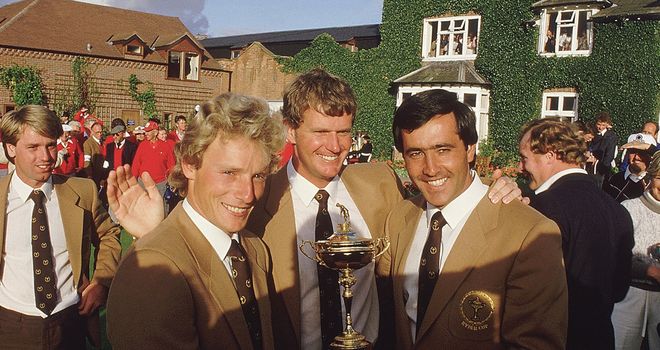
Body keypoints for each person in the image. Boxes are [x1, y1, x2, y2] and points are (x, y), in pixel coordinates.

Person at [105, 69, 524, 349]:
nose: (335, 145)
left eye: (344, 132)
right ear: (290, 129)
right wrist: (152, 234)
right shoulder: (259, 201)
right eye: (320, 131)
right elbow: (198, 251)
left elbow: (438, 211)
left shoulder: (379, 184)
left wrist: (492, 192)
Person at [376, 89, 567, 349]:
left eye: (442, 150)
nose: (430, 168)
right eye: (416, 153)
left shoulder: (531, 235)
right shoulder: (399, 218)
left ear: (469, 150)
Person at [106, 93, 285, 349]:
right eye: (229, 173)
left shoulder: (254, 248)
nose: (248, 194)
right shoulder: (153, 270)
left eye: (258, 176)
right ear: (189, 165)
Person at [0, 105, 121, 348]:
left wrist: (102, 282)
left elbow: (109, 234)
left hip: (70, 320)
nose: (46, 157)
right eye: (33, 147)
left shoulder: (82, 191)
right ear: (11, 149)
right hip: (11, 324)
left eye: (51, 145)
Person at [518, 118, 634, 350]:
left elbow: (527, 292)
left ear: (550, 155)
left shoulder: (542, 209)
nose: (520, 168)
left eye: (524, 159)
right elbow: (620, 288)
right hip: (601, 338)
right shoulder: (617, 210)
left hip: (553, 340)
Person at [611, 151, 660, 350]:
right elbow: (614, 256)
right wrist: (649, 270)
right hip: (629, 295)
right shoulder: (629, 208)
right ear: (650, 177)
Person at [605, 133, 656, 202]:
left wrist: (651, 148)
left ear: (651, 156)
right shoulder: (614, 178)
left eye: (642, 153)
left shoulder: (651, 187)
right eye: (633, 152)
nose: (637, 157)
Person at [131, 120, 175, 199]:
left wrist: (171, 180)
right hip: (143, 183)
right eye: (145, 131)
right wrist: (133, 180)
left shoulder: (165, 146)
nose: (146, 134)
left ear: (155, 132)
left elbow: (171, 165)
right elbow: (136, 164)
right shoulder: (142, 145)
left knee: (160, 208)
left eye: (148, 131)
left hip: (160, 184)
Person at [589, 112, 618, 188]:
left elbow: (609, 155)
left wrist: (601, 168)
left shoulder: (611, 136)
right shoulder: (592, 133)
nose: (600, 127)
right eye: (598, 124)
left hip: (601, 170)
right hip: (589, 166)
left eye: (603, 125)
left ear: (607, 125)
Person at [83, 122, 105, 186]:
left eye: (101, 132)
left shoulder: (103, 142)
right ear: (92, 132)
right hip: (94, 174)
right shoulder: (88, 143)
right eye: (97, 132)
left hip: (103, 173)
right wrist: (89, 175)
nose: (100, 134)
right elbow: (87, 160)